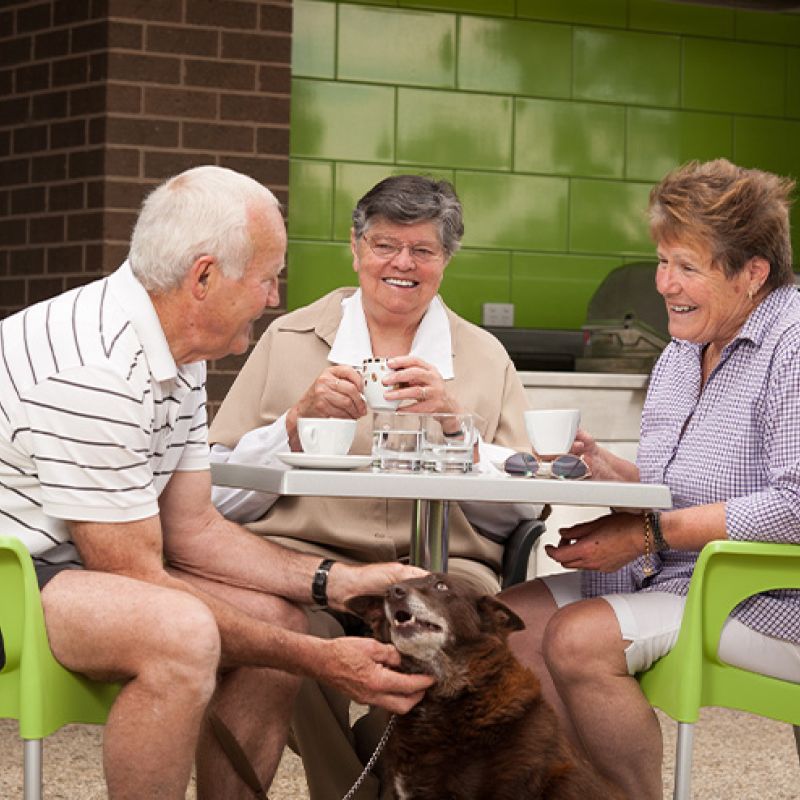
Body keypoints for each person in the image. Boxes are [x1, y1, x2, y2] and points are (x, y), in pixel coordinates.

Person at [0, 165, 434, 800]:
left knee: (278, 616)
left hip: (68, 568)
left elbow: (193, 528)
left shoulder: (181, 348)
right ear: (203, 276)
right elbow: (136, 578)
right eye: (266, 278)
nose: (275, 298)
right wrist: (321, 659)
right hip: (15, 573)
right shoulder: (96, 367)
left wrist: (333, 583)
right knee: (181, 632)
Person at [209, 174, 540, 798]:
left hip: (443, 574)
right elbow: (215, 491)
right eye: (386, 245)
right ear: (356, 250)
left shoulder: (485, 356)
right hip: (306, 567)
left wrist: (454, 430)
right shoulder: (288, 339)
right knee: (287, 645)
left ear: (446, 260)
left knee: (431, 667)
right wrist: (292, 425)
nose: (402, 264)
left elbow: (520, 515)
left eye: (423, 250)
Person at [500, 158, 800, 800]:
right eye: (663, 261)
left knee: (579, 640)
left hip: (763, 592)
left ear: (753, 273)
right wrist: (611, 473)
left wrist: (647, 533)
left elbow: (794, 505)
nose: (665, 284)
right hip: (672, 571)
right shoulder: (682, 351)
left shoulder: (792, 344)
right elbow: (688, 486)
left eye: (688, 266)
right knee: (503, 626)